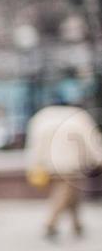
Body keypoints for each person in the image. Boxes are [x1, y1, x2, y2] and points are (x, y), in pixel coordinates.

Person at [24, 101, 102, 241]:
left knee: (72, 193)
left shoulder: (42, 117)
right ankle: (50, 222)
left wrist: (34, 164)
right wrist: (98, 159)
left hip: (48, 164)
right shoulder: (79, 118)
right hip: (70, 164)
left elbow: (33, 144)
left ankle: (77, 224)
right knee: (64, 191)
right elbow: (91, 141)